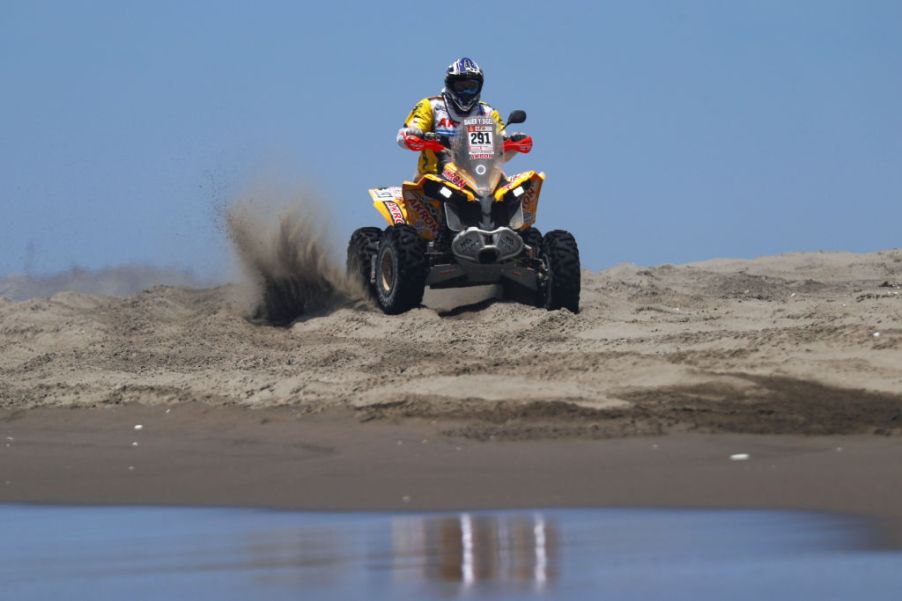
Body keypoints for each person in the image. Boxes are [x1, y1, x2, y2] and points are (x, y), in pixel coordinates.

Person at [397, 57, 504, 178]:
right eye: (461, 87)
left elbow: (503, 143)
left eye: (471, 87)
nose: (466, 92)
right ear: (450, 85)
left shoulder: (488, 113)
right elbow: (404, 135)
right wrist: (414, 133)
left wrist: (514, 139)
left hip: (478, 179)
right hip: (433, 177)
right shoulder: (430, 106)